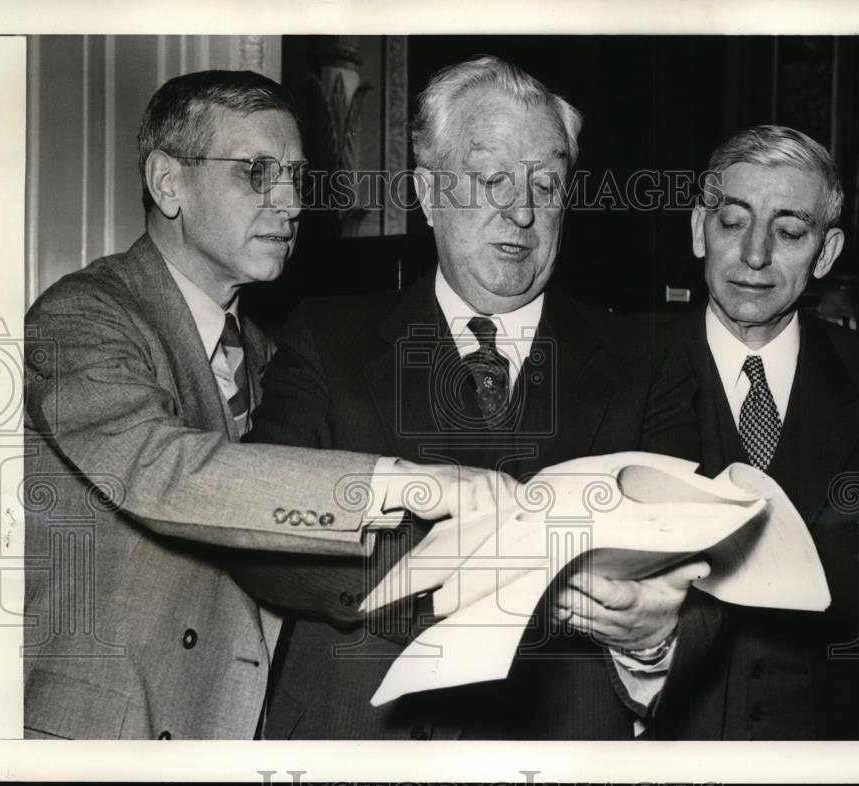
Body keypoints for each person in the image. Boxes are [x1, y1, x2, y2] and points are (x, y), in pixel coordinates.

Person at [231, 55, 706, 740]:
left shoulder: (648, 359)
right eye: (492, 181)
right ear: (428, 193)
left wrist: (660, 633)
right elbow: (260, 521)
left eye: (546, 182)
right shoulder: (326, 336)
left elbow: (702, 565)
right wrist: (498, 582)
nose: (523, 211)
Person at [23, 69, 507, 741]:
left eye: (295, 176)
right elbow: (160, 469)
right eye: (255, 172)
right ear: (169, 183)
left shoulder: (273, 354)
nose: (290, 202)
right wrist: (404, 482)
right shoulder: (81, 318)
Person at [648, 124, 859, 739]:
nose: (755, 255)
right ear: (700, 231)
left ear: (827, 252)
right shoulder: (630, 373)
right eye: (733, 222)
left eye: (788, 232)